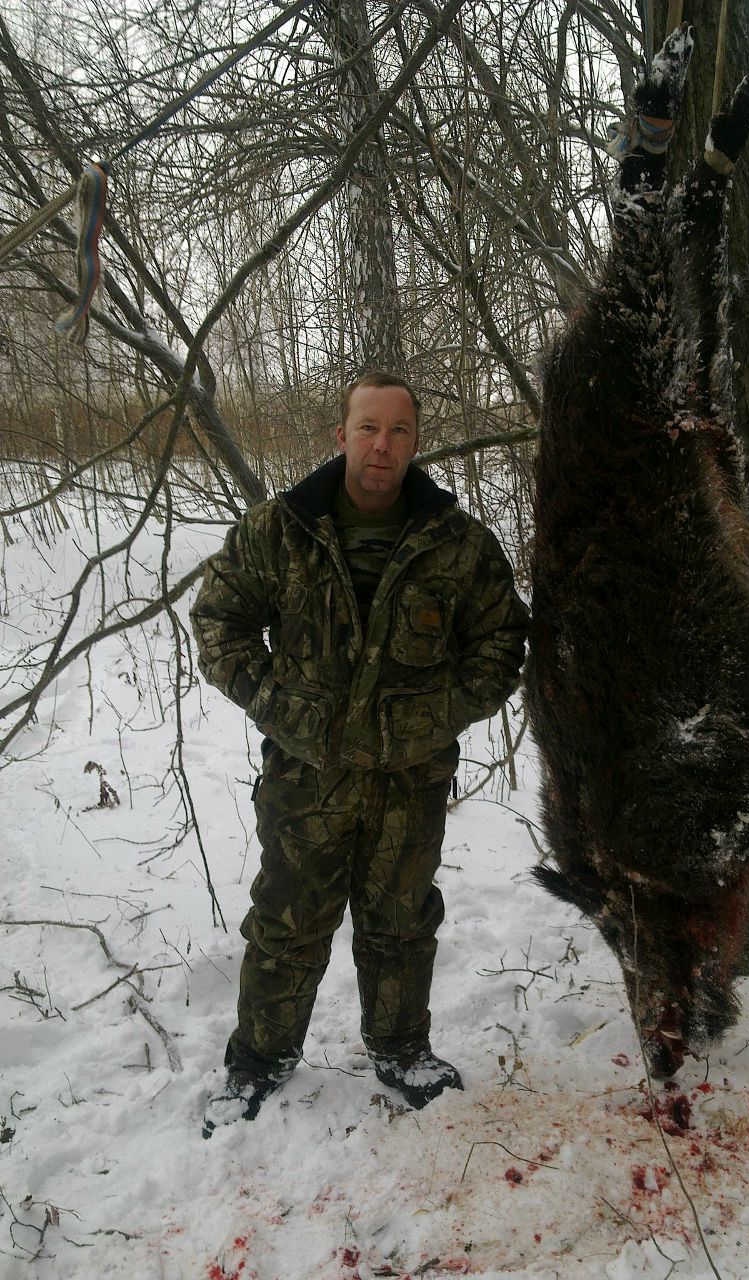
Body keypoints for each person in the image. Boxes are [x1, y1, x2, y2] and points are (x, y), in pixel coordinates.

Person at [191, 371, 528, 1135]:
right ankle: (258, 1064)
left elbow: (502, 641)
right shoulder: (280, 530)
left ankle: (402, 1049)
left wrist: (435, 717)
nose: (383, 445)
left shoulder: (458, 542)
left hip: (411, 780)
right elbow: (219, 623)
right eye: (368, 428)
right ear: (340, 435)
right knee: (286, 922)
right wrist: (285, 709)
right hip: (306, 779)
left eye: (399, 431)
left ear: (416, 442)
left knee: (402, 921)